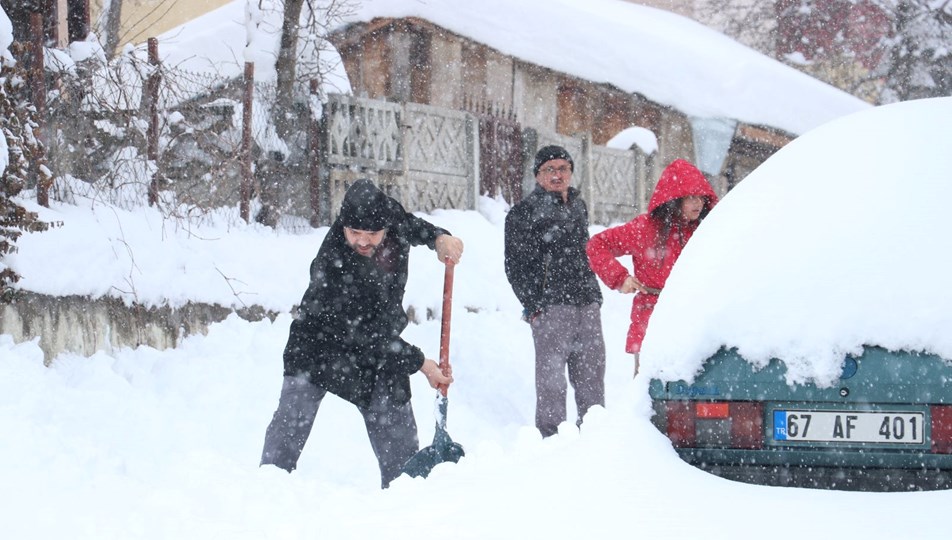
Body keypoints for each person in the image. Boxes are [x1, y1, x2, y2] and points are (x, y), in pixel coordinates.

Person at [260, 179, 464, 488]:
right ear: (343, 223)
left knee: (396, 427)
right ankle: (266, 491)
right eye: (355, 233)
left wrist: (438, 238)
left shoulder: (389, 216)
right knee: (291, 420)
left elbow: (407, 223)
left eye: (372, 234)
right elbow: (370, 337)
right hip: (318, 346)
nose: (363, 241)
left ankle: (404, 493)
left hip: (376, 346)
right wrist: (423, 364)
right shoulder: (333, 266)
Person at [504, 145, 606, 438]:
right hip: (551, 306)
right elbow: (514, 266)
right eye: (550, 170)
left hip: (586, 301)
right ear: (538, 176)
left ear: (571, 173)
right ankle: (551, 441)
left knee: (592, 378)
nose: (557, 175)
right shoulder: (523, 213)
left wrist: (595, 296)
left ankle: (594, 435)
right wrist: (533, 304)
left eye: (563, 168)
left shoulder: (578, 206)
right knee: (551, 382)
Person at [586, 159, 718, 376]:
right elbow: (597, 245)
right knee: (650, 397)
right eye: (691, 197)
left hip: (696, 321)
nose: (698, 204)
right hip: (652, 321)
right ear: (675, 199)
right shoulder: (646, 229)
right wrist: (620, 278)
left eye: (701, 197)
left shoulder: (707, 230)